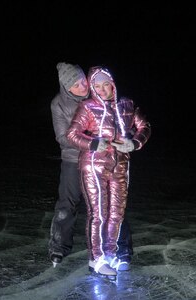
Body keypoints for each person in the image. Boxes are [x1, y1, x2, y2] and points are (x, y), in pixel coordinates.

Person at [66, 66, 151, 277]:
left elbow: (145, 126)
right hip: (94, 165)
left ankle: (111, 253)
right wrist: (93, 143)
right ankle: (97, 258)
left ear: (112, 83)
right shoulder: (88, 107)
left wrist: (134, 143)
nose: (102, 89)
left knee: (117, 214)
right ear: (92, 87)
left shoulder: (127, 105)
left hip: (120, 165)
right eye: (97, 86)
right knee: (99, 214)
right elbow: (72, 134)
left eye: (106, 84)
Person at [47, 62, 134, 268]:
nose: (81, 87)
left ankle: (121, 248)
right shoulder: (58, 104)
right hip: (73, 158)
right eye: (75, 85)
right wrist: (91, 143)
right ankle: (59, 247)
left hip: (103, 161)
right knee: (67, 204)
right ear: (66, 88)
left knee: (114, 204)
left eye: (82, 81)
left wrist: (125, 138)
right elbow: (62, 136)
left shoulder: (96, 95)